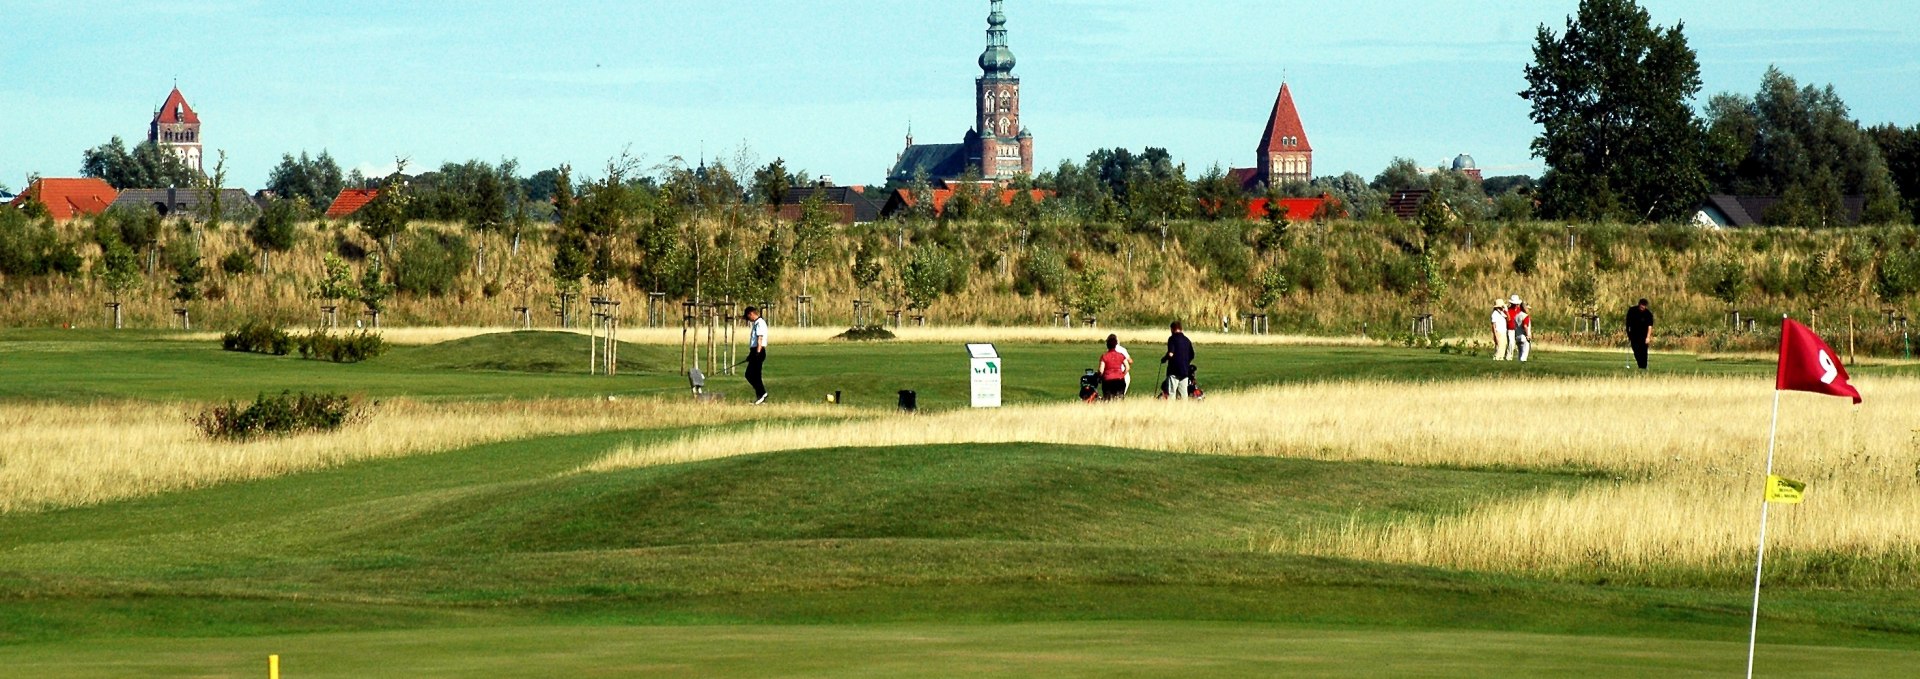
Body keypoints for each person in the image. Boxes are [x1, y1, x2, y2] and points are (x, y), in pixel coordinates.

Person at [1161, 321, 1196, 401]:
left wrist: (1164, 359)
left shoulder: (1172, 339)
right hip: (1185, 371)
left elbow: (1171, 354)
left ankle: (1171, 410)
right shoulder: (1187, 340)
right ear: (1181, 329)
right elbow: (1192, 355)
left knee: (1171, 392)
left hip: (1174, 370)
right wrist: (1185, 362)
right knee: (1184, 394)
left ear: (1172, 329)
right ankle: (1183, 410)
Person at [743, 306, 769, 404]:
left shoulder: (760, 323)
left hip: (759, 351)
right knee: (750, 374)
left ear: (751, 314)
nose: (748, 319)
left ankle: (762, 394)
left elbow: (760, 339)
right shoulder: (756, 323)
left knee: (753, 375)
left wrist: (757, 353)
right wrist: (751, 354)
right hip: (755, 351)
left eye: (748, 316)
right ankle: (761, 395)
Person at [1626, 298, 1655, 370]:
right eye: (1641, 306)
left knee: (1644, 352)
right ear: (1639, 304)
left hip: (1644, 336)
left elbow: (1650, 327)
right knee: (1636, 351)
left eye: (1644, 306)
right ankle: (1640, 364)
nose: (1642, 307)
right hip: (1633, 335)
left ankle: (1643, 366)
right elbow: (1628, 323)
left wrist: (1648, 337)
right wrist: (1628, 333)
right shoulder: (1632, 311)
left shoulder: (1648, 314)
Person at [1097, 334, 1128, 401]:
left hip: (1108, 381)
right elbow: (1127, 367)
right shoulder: (1121, 355)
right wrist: (1123, 374)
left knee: (1108, 399)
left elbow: (1101, 370)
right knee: (1119, 399)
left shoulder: (1104, 356)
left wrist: (1099, 377)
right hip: (1120, 380)